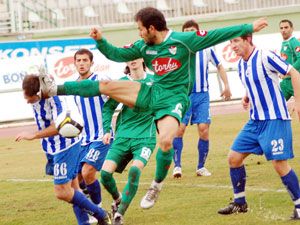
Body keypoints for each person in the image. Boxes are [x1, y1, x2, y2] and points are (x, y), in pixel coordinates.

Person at [38, 7, 268, 209]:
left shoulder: (183, 41)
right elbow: (117, 54)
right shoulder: (143, 46)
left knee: (166, 141)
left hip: (174, 98)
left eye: (140, 29)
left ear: (151, 28)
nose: (138, 33)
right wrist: (100, 40)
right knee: (106, 86)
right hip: (151, 91)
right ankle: (55, 88)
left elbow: (218, 34)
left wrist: (248, 27)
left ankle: (156, 186)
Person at [217, 34, 300, 219]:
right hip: (255, 121)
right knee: (234, 158)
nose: (233, 46)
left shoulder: (265, 56)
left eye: (236, 41)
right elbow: (254, 83)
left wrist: (298, 101)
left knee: (280, 165)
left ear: (248, 40)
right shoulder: (241, 64)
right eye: (230, 42)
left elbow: (294, 72)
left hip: (275, 119)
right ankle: (240, 203)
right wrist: (247, 95)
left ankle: (299, 205)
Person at [16, 75, 112, 225]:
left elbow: (57, 127)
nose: (27, 100)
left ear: (39, 93)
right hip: (52, 148)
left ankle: (101, 214)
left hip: (65, 147)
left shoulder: (55, 100)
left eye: (30, 98)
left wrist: (33, 135)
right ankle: (86, 222)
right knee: (74, 189)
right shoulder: (38, 90)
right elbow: (39, 76)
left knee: (62, 192)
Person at [172, 20, 232, 178]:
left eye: (192, 30)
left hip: (202, 96)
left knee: (204, 130)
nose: (189, 33)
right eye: (186, 30)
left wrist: (226, 85)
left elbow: (219, 65)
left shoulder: (206, 48)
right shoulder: (178, 49)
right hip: (183, 96)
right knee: (179, 130)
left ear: (198, 32)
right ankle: (177, 166)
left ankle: (201, 167)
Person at [100, 58, 156, 225]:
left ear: (142, 59)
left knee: (134, 171)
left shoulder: (154, 81)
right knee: (104, 174)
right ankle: (118, 199)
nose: (132, 60)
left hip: (146, 138)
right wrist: (107, 130)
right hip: (123, 136)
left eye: (135, 56)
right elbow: (109, 107)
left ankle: (119, 215)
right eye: (129, 57)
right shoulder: (122, 83)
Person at [72, 49, 110, 221]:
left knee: (88, 172)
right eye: (78, 60)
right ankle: (87, 216)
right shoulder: (73, 85)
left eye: (85, 60)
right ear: (74, 63)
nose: (81, 63)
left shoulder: (100, 81)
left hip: (101, 137)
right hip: (83, 140)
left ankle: (99, 211)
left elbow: (112, 100)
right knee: (75, 179)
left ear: (91, 63)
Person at [279, 19, 300, 101]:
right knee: (276, 105)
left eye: (286, 27)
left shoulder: (294, 42)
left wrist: (288, 72)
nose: (283, 30)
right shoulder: (284, 43)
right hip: (285, 83)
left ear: (292, 29)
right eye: (281, 28)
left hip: (295, 81)